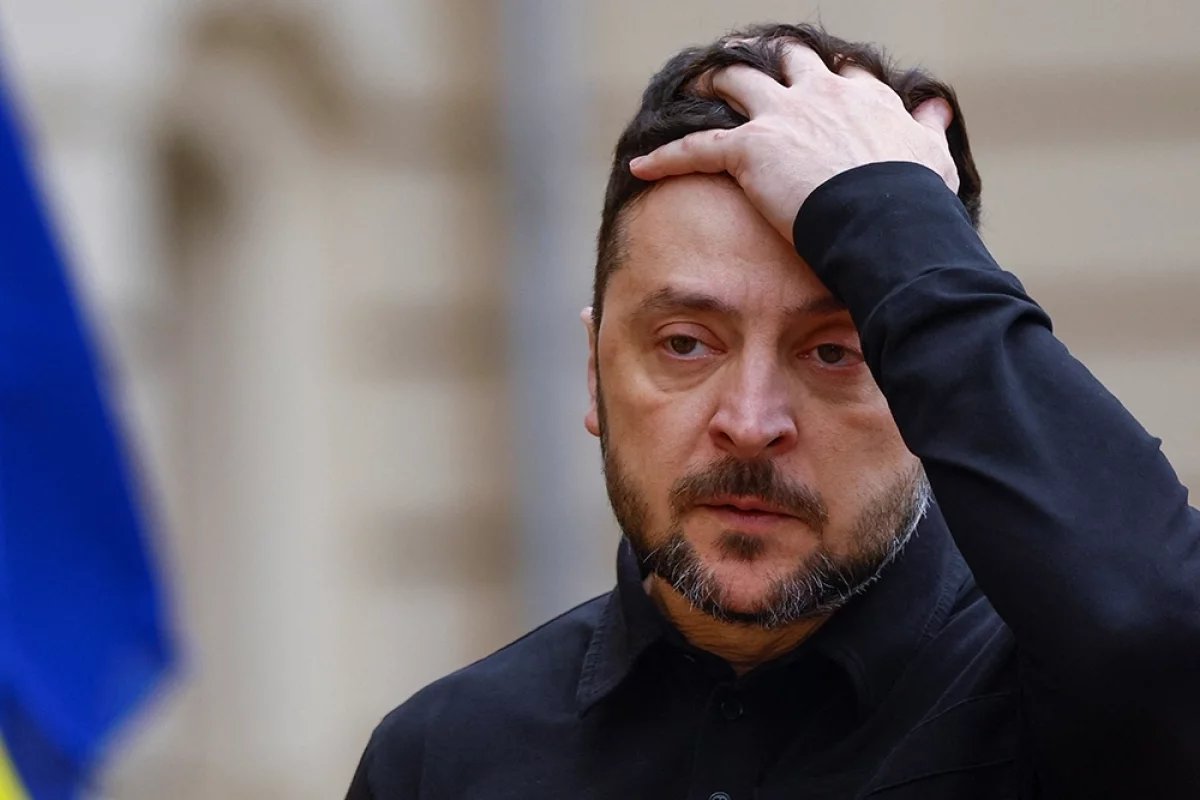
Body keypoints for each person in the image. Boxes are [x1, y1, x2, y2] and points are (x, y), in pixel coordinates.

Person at [346, 23, 1200, 799]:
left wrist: (890, 212)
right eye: (686, 343)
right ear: (593, 374)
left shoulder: (1056, 707)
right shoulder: (444, 758)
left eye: (835, 351)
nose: (751, 425)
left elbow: (1155, 624)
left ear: (926, 382)